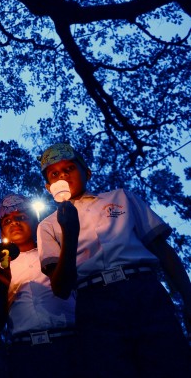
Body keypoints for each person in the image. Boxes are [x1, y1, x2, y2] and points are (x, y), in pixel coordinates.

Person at [36, 143, 191, 377]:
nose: (63, 175)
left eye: (69, 168)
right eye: (54, 174)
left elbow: (162, 249)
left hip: (143, 290)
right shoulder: (47, 226)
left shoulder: (122, 198)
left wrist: (187, 296)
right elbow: (60, 287)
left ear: (86, 172)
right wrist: (69, 233)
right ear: (49, 188)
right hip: (95, 302)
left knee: (169, 362)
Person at [0, 194, 77, 378]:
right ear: (2, 232)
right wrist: (3, 286)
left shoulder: (56, 252)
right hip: (24, 352)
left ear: (36, 222)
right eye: (7, 220)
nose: (14, 223)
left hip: (68, 344)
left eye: (21, 217)